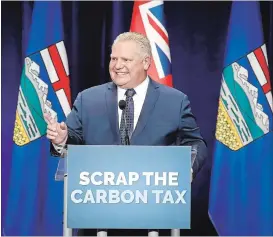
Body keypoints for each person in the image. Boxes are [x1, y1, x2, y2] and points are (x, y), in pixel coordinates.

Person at [45, 32, 207, 236]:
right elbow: (73, 138)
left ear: (146, 62)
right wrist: (62, 139)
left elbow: (195, 143)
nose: (117, 65)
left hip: (154, 218)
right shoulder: (88, 99)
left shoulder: (174, 101)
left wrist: (186, 169)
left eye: (126, 60)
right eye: (114, 58)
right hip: (97, 218)